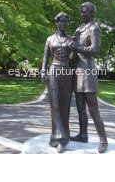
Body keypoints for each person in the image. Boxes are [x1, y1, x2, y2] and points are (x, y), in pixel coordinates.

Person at [70, 2, 108, 153]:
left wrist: (77, 47)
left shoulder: (94, 28)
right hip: (78, 72)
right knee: (80, 108)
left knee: (93, 109)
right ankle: (83, 134)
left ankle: (103, 139)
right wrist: (73, 45)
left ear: (92, 13)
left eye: (84, 11)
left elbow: (95, 49)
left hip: (88, 71)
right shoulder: (79, 29)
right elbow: (74, 55)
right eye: (81, 11)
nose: (82, 14)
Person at [41, 12, 73, 153]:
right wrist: (43, 71)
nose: (64, 24)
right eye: (61, 21)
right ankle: (57, 138)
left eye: (66, 22)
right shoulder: (50, 39)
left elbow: (73, 58)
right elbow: (46, 56)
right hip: (53, 70)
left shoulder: (70, 40)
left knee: (65, 105)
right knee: (55, 104)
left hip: (66, 71)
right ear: (57, 22)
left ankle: (65, 136)